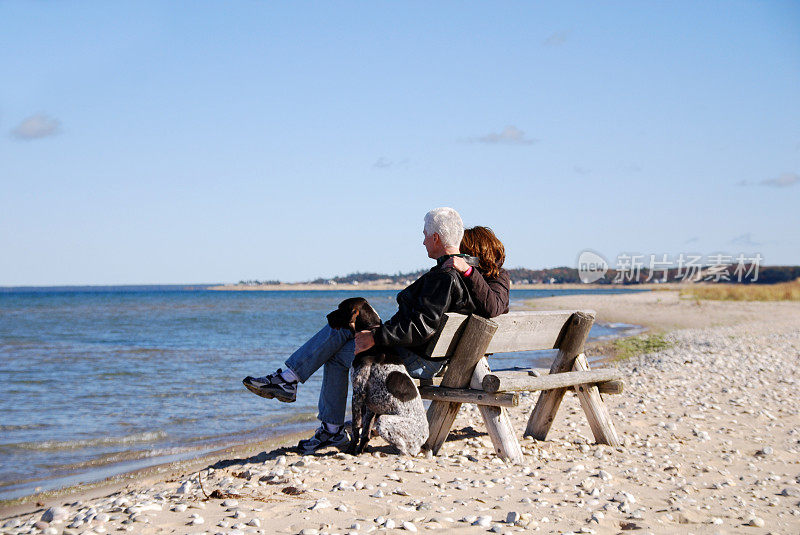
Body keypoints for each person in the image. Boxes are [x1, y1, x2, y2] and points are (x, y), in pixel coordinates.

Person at [243, 207, 479, 453]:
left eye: (424, 235)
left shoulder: (444, 277)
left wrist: (376, 336)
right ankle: (292, 384)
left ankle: (302, 397)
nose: (422, 241)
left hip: (416, 359)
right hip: (430, 355)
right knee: (344, 333)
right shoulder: (466, 272)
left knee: (337, 345)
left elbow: (422, 327)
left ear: (436, 238)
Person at [441, 226, 510, 318]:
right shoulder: (458, 276)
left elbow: (493, 308)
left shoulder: (498, 275)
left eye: (461, 252)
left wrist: (468, 271)